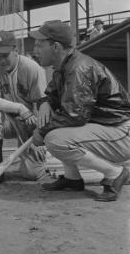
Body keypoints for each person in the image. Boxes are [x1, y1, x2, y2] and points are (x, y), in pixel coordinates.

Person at [30, 20, 130, 202]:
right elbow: (53, 95)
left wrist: (41, 132)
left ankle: (115, 173)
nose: (35, 50)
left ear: (56, 46)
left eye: (39, 44)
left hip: (122, 132)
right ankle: (72, 179)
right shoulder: (64, 66)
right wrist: (46, 103)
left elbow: (74, 115)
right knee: (53, 121)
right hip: (106, 127)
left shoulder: (79, 68)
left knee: (54, 138)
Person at [0, 30, 49, 186]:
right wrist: (19, 108)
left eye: (5, 55)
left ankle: (39, 157)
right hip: (7, 121)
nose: (1, 60)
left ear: (15, 50)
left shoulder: (33, 68)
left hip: (30, 124)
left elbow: (43, 106)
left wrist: (39, 136)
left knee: (31, 173)